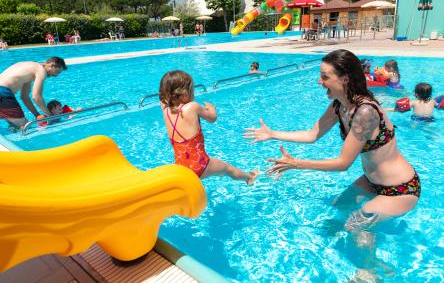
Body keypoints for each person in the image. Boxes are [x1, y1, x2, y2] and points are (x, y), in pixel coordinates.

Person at [244, 49, 420, 230]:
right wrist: (272, 134)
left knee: (355, 226)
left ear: (345, 79)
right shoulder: (339, 105)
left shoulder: (365, 112)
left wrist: (296, 164)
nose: (319, 82)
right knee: (339, 206)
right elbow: (312, 134)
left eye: (325, 77)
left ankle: (370, 259)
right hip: (372, 182)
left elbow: (343, 163)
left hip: (400, 188)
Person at [159, 70, 258, 184]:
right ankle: (249, 178)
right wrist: (211, 108)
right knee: (229, 169)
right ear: (184, 94)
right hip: (200, 164)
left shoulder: (165, 111)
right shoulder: (193, 107)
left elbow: (162, 100)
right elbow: (212, 118)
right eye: (192, 90)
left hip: (181, 167)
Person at [0, 57, 67, 129]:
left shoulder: (30, 68)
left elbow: (24, 97)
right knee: (26, 127)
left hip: (2, 93)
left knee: (14, 125)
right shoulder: (41, 70)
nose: (56, 76)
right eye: (57, 72)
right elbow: (36, 97)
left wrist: (37, 115)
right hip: (3, 92)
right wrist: (50, 116)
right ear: (51, 65)